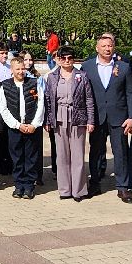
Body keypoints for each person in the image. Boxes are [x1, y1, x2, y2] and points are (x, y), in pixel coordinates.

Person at [82, 33, 132, 203]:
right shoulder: (87, 66)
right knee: (96, 151)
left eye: (110, 46)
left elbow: (130, 93)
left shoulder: (124, 67)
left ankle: (122, 187)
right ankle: (95, 182)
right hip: (97, 117)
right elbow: (83, 94)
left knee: (120, 152)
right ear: (97, 48)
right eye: (104, 46)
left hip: (119, 117)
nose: (107, 49)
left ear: (114, 47)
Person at [44, 47, 95, 201]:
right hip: (59, 117)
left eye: (70, 58)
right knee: (62, 155)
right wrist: (48, 120)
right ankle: (65, 190)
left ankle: (79, 191)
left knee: (78, 155)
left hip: (78, 117)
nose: (67, 61)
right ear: (58, 59)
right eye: (63, 58)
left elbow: (89, 99)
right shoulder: (52, 77)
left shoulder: (82, 76)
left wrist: (90, 120)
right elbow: (48, 99)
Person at [0, 55, 43, 198]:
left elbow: (41, 105)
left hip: (31, 127)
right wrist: (17, 125)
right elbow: (3, 109)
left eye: (23, 68)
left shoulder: (34, 83)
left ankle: (29, 186)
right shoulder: (5, 86)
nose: (21, 71)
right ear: (12, 70)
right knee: (17, 157)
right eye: (17, 69)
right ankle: (19, 185)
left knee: (31, 157)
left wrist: (34, 124)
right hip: (15, 128)